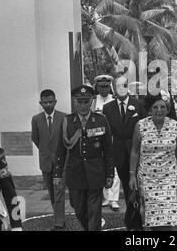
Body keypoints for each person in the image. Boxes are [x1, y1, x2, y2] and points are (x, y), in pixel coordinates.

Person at [54, 85, 114, 231]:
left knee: (94, 210)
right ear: (74, 102)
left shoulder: (101, 120)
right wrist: (57, 175)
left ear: (92, 101)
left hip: (96, 172)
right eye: (79, 102)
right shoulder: (67, 121)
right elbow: (60, 151)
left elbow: (108, 149)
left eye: (86, 101)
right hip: (75, 173)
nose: (82, 105)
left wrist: (110, 174)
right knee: (79, 209)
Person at [129, 90, 177, 231]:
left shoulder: (174, 126)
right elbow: (135, 152)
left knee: (168, 216)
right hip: (148, 178)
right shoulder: (140, 126)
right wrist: (132, 175)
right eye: (155, 107)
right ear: (149, 109)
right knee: (153, 218)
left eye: (163, 107)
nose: (159, 110)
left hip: (169, 177)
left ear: (168, 109)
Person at [102, 75, 147, 229]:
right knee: (129, 188)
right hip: (119, 154)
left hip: (138, 153)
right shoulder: (107, 108)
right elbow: (107, 133)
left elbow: (145, 128)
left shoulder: (138, 105)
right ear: (114, 87)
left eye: (124, 84)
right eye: (118, 85)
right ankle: (134, 222)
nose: (121, 87)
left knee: (139, 188)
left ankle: (134, 220)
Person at [31, 89, 66, 230]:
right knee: (52, 193)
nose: (48, 104)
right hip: (45, 161)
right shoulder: (36, 119)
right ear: (41, 103)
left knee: (59, 191)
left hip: (61, 161)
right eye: (45, 102)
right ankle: (59, 216)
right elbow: (36, 138)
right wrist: (46, 151)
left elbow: (66, 139)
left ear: (55, 101)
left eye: (50, 101)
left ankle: (59, 222)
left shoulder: (64, 117)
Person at [90, 74, 121, 211]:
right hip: (97, 140)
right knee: (101, 168)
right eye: (101, 87)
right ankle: (105, 197)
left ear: (110, 87)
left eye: (107, 86)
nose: (104, 89)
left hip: (112, 139)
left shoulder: (114, 100)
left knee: (114, 169)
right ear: (97, 87)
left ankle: (114, 199)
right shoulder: (92, 101)